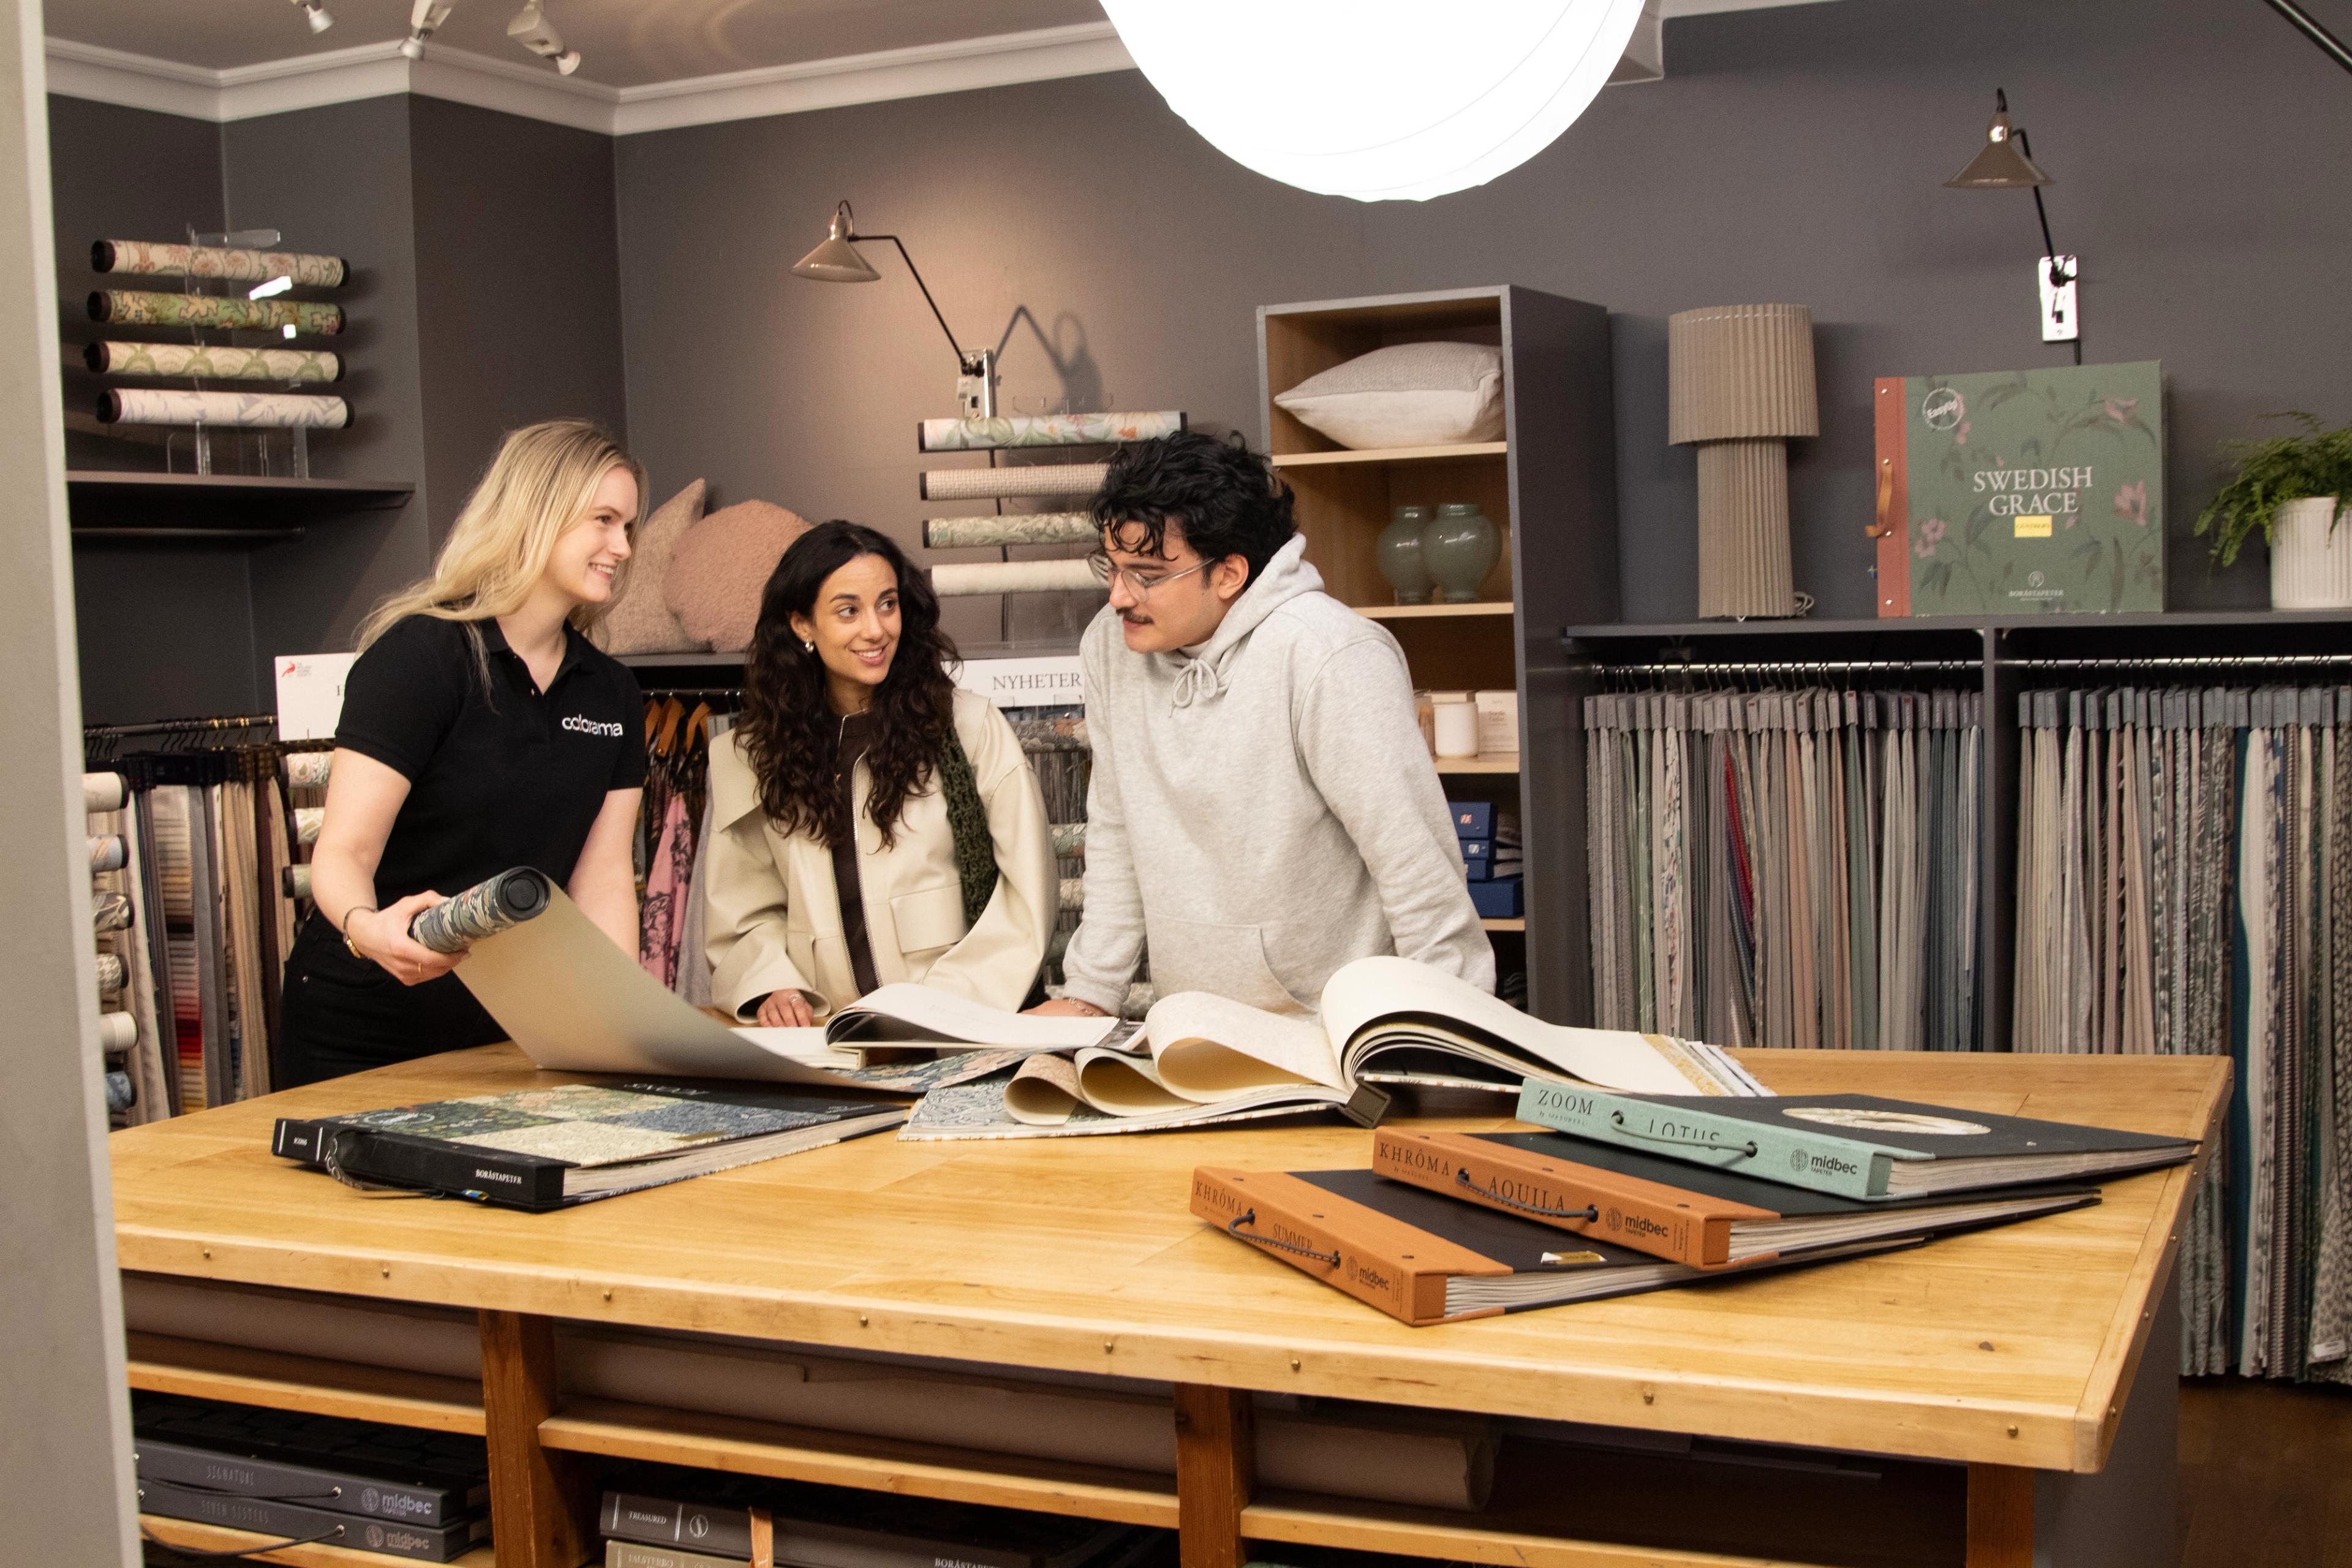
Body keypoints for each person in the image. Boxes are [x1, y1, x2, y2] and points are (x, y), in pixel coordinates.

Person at [1035, 431, 1491, 1019]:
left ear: (1229, 573)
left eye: (1145, 574)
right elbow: (1117, 825)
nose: (1119, 596)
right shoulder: (1111, 645)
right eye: (1112, 568)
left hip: (1338, 1027)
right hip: (1196, 1028)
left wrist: (1456, 1029)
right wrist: (1091, 993)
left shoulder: (1330, 654)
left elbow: (1413, 863)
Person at [285, 420, 649, 1085]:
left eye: (627, 526)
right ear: (536, 512)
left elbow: (601, 883)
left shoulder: (613, 692)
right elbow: (344, 852)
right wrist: (367, 928)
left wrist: (618, 1023)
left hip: (507, 1024)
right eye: (603, 520)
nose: (622, 547)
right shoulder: (421, 657)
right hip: (365, 1022)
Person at [704, 522, 1057, 1025]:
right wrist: (772, 984)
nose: (876, 629)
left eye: (887, 604)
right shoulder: (753, 756)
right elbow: (743, 909)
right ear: (802, 624)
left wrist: (935, 1009)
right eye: (848, 611)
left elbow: (1027, 895)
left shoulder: (970, 729)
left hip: (953, 1025)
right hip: (824, 1038)